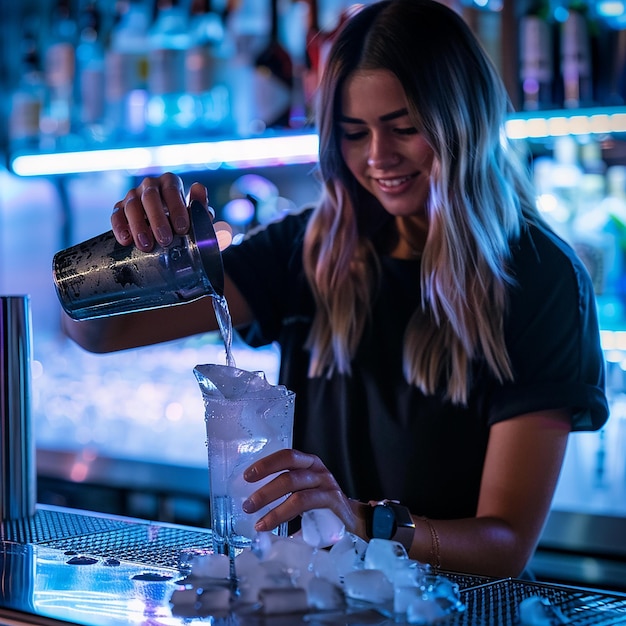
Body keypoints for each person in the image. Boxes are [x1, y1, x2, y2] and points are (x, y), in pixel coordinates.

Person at [63, 0, 609, 579]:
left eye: (405, 128)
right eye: (354, 133)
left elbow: (506, 546)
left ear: (463, 124)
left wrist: (363, 520)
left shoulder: (540, 279)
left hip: (459, 614)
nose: (378, 157)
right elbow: (100, 333)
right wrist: (133, 250)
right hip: (312, 605)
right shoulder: (311, 251)